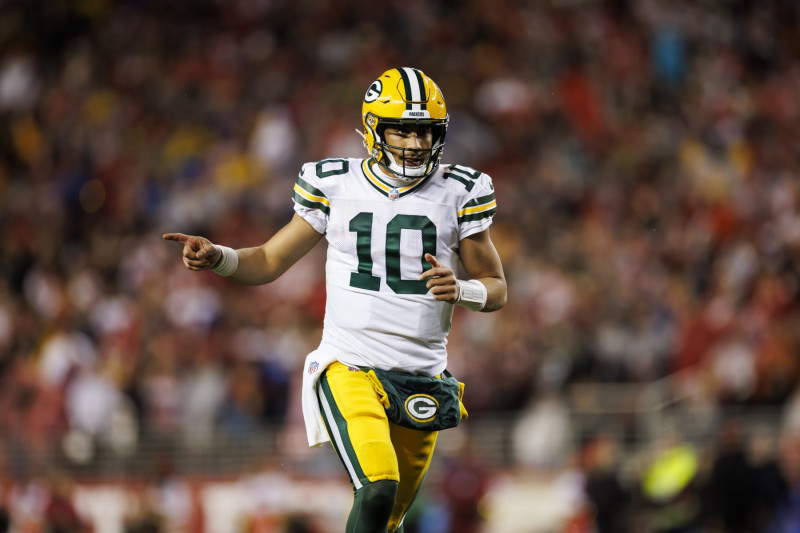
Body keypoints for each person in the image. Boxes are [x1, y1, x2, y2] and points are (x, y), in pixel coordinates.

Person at [164, 67, 507, 533]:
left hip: (422, 375)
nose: (412, 143)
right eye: (400, 131)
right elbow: (268, 258)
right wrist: (219, 256)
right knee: (378, 486)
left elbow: (496, 287)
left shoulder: (458, 191)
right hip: (350, 366)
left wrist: (463, 289)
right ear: (372, 129)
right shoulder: (337, 184)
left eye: (423, 131)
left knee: (388, 519)